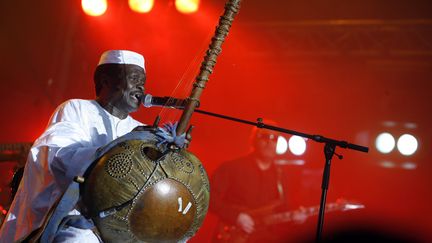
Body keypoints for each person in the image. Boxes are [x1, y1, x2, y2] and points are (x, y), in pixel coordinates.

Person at [0, 50, 147, 242]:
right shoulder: (76, 109)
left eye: (143, 80)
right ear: (105, 81)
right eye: (134, 78)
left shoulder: (140, 129)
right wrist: (115, 152)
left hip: (119, 229)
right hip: (73, 222)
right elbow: (61, 157)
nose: (141, 86)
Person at [210, 124, 308, 243]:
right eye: (265, 136)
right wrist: (236, 216)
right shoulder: (231, 168)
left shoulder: (281, 175)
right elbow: (208, 198)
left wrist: (295, 218)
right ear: (254, 140)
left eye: (275, 138)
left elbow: (283, 209)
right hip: (232, 236)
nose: (269, 142)